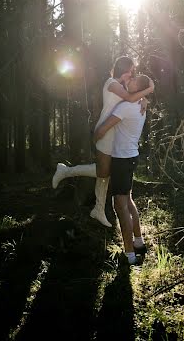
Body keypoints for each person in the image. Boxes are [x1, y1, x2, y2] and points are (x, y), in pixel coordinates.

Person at [52, 56, 154, 227]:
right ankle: (65, 171)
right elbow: (130, 98)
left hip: (115, 133)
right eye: (130, 70)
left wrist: (144, 99)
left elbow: (134, 96)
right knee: (103, 172)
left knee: (105, 173)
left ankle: (99, 209)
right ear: (123, 69)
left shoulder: (123, 86)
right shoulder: (111, 83)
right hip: (105, 131)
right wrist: (149, 90)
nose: (132, 73)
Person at [93, 73, 151, 265]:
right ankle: (139, 242)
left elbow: (102, 130)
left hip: (121, 160)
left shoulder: (125, 107)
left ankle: (130, 256)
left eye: (133, 80)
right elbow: (142, 90)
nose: (129, 80)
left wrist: (94, 140)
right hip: (131, 157)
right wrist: (144, 96)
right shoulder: (139, 105)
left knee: (120, 206)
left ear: (139, 88)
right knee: (128, 200)